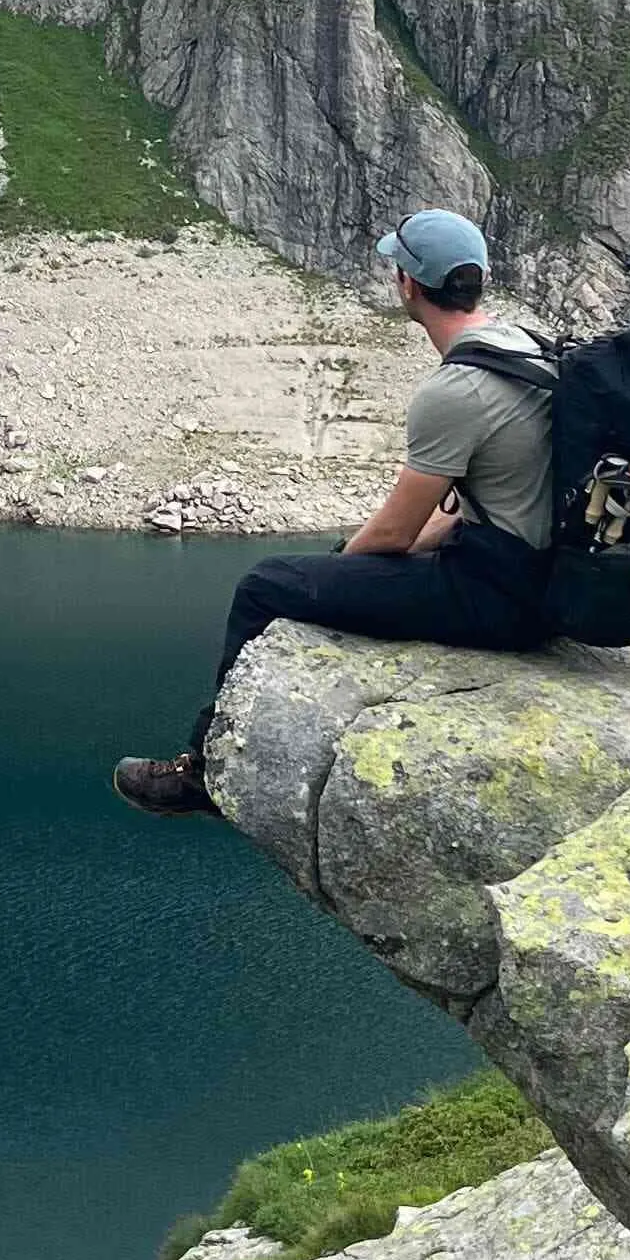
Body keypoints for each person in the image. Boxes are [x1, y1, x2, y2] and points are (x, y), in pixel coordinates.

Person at [111, 207, 554, 817]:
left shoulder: (457, 390)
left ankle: (204, 773)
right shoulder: (529, 350)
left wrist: (341, 562)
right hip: (544, 581)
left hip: (499, 598)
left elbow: (397, 531)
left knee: (267, 586)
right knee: (322, 577)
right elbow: (463, 513)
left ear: (407, 282)